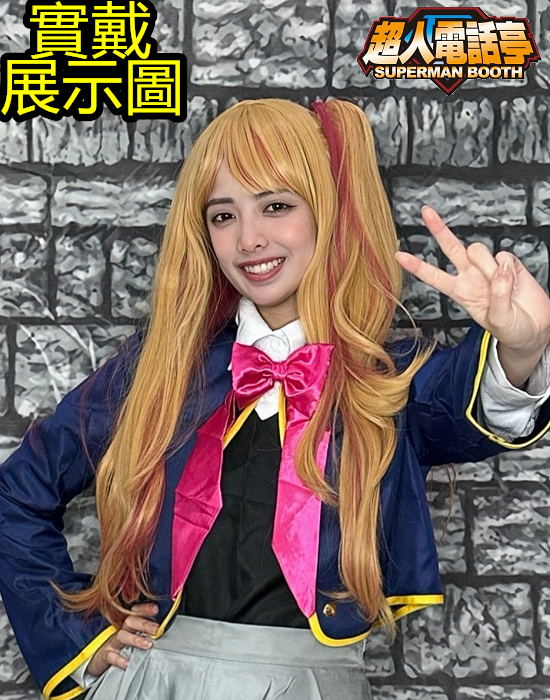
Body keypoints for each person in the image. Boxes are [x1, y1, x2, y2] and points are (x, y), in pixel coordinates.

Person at [1, 97, 550, 700]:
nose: (249, 239)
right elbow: (17, 491)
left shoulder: (387, 379)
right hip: (151, 680)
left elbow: (465, 404)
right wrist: (76, 636)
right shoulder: (162, 365)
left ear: (327, 211)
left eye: (276, 206)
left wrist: (521, 348)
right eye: (223, 215)